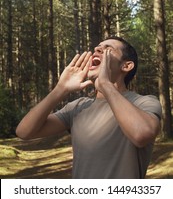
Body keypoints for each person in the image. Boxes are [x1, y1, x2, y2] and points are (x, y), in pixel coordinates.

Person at [16, 36, 162, 179]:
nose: (97, 49)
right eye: (97, 48)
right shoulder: (77, 107)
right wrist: (60, 89)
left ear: (126, 66)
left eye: (108, 49)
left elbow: (142, 134)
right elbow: (24, 132)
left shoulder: (143, 102)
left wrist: (105, 84)